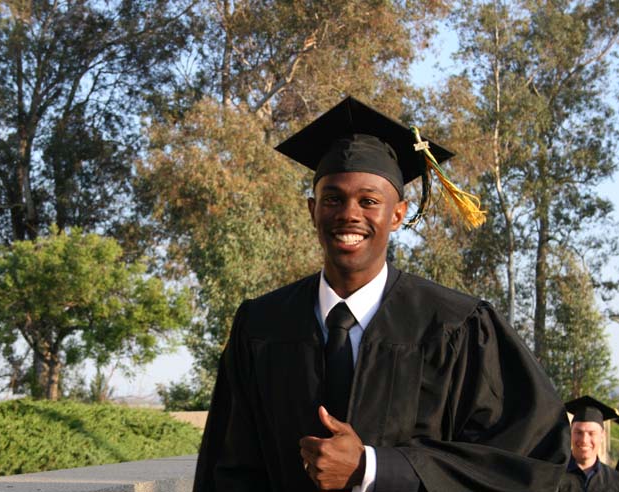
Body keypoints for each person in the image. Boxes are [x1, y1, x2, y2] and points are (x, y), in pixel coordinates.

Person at [192, 96, 570, 492]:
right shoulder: (262, 325)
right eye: (333, 198)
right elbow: (227, 465)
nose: (349, 214)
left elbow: (530, 457)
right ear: (312, 210)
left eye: (369, 201)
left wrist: (374, 468)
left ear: (397, 214)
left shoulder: (457, 325)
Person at [559, 396, 619, 492]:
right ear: (570, 433)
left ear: (602, 435)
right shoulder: (553, 476)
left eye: (592, 433)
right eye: (579, 432)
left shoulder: (615, 481)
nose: (584, 440)